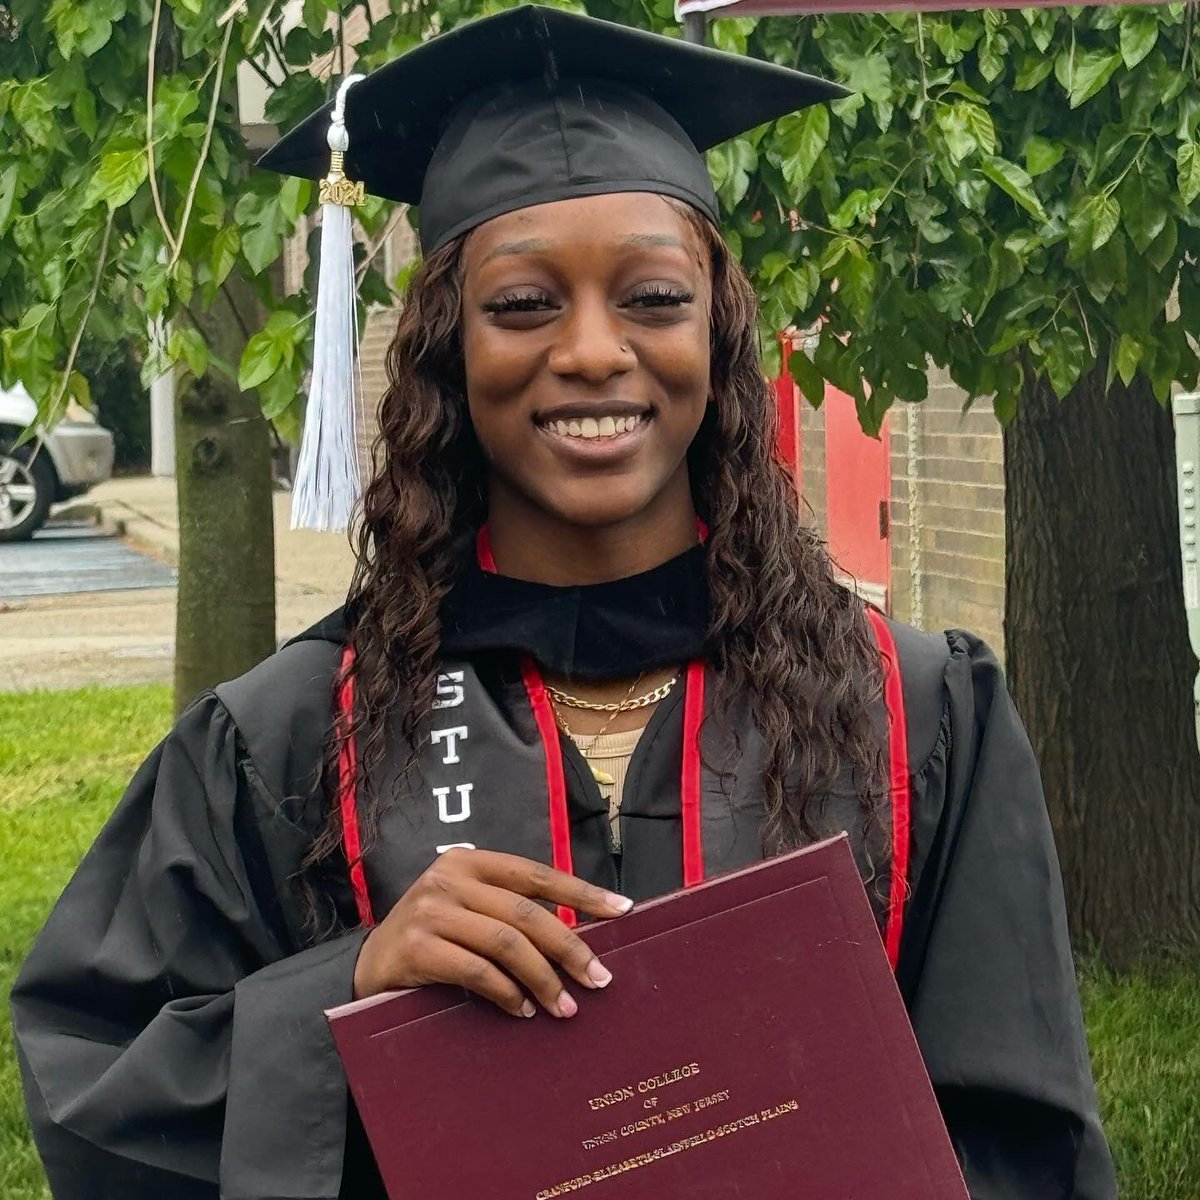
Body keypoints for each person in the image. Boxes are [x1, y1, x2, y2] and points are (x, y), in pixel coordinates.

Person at [12, 7, 1116, 1199]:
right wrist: (346, 998)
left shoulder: (914, 716)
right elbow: (96, 1100)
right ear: (447, 347)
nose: (593, 351)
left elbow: (1026, 1144)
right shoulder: (287, 739)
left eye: (652, 297)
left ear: (719, 331)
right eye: (524, 304)